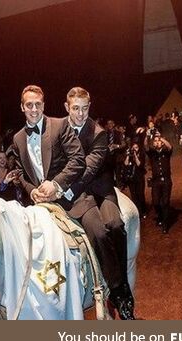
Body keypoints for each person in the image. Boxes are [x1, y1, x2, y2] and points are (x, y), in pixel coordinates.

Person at [62, 87, 135, 320]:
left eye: (85, 108)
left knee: (114, 224)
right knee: (100, 234)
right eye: (76, 109)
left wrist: (68, 188)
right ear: (67, 107)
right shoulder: (59, 129)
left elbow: (88, 169)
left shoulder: (99, 132)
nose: (81, 114)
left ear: (89, 106)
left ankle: (120, 287)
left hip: (101, 191)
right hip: (80, 196)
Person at [12, 85, 85, 210]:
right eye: (29, 105)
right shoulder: (17, 138)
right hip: (38, 203)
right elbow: (20, 172)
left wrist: (56, 184)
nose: (34, 109)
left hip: (70, 198)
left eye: (38, 104)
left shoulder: (60, 125)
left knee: (98, 229)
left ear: (43, 106)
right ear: (22, 107)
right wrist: (32, 191)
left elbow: (78, 159)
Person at [144, 134, 173, 234]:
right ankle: (160, 216)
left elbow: (170, 147)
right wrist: (147, 137)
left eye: (158, 141)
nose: (157, 142)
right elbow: (146, 147)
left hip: (166, 180)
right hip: (156, 181)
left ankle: (165, 225)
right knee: (156, 202)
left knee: (165, 202)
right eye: (155, 141)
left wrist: (162, 138)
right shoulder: (152, 153)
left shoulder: (166, 152)